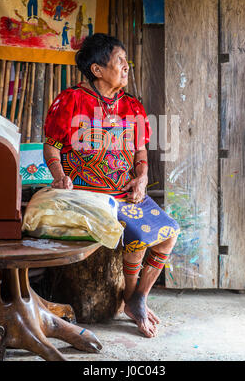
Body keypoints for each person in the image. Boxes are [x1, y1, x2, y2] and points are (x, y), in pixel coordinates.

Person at [43, 33, 180, 338]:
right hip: (87, 195)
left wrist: (141, 178)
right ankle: (133, 302)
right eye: (120, 60)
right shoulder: (69, 101)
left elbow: (141, 153)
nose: (126, 65)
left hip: (125, 193)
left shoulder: (131, 106)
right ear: (97, 69)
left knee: (168, 234)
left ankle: (136, 298)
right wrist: (57, 174)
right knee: (137, 235)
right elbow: (51, 147)